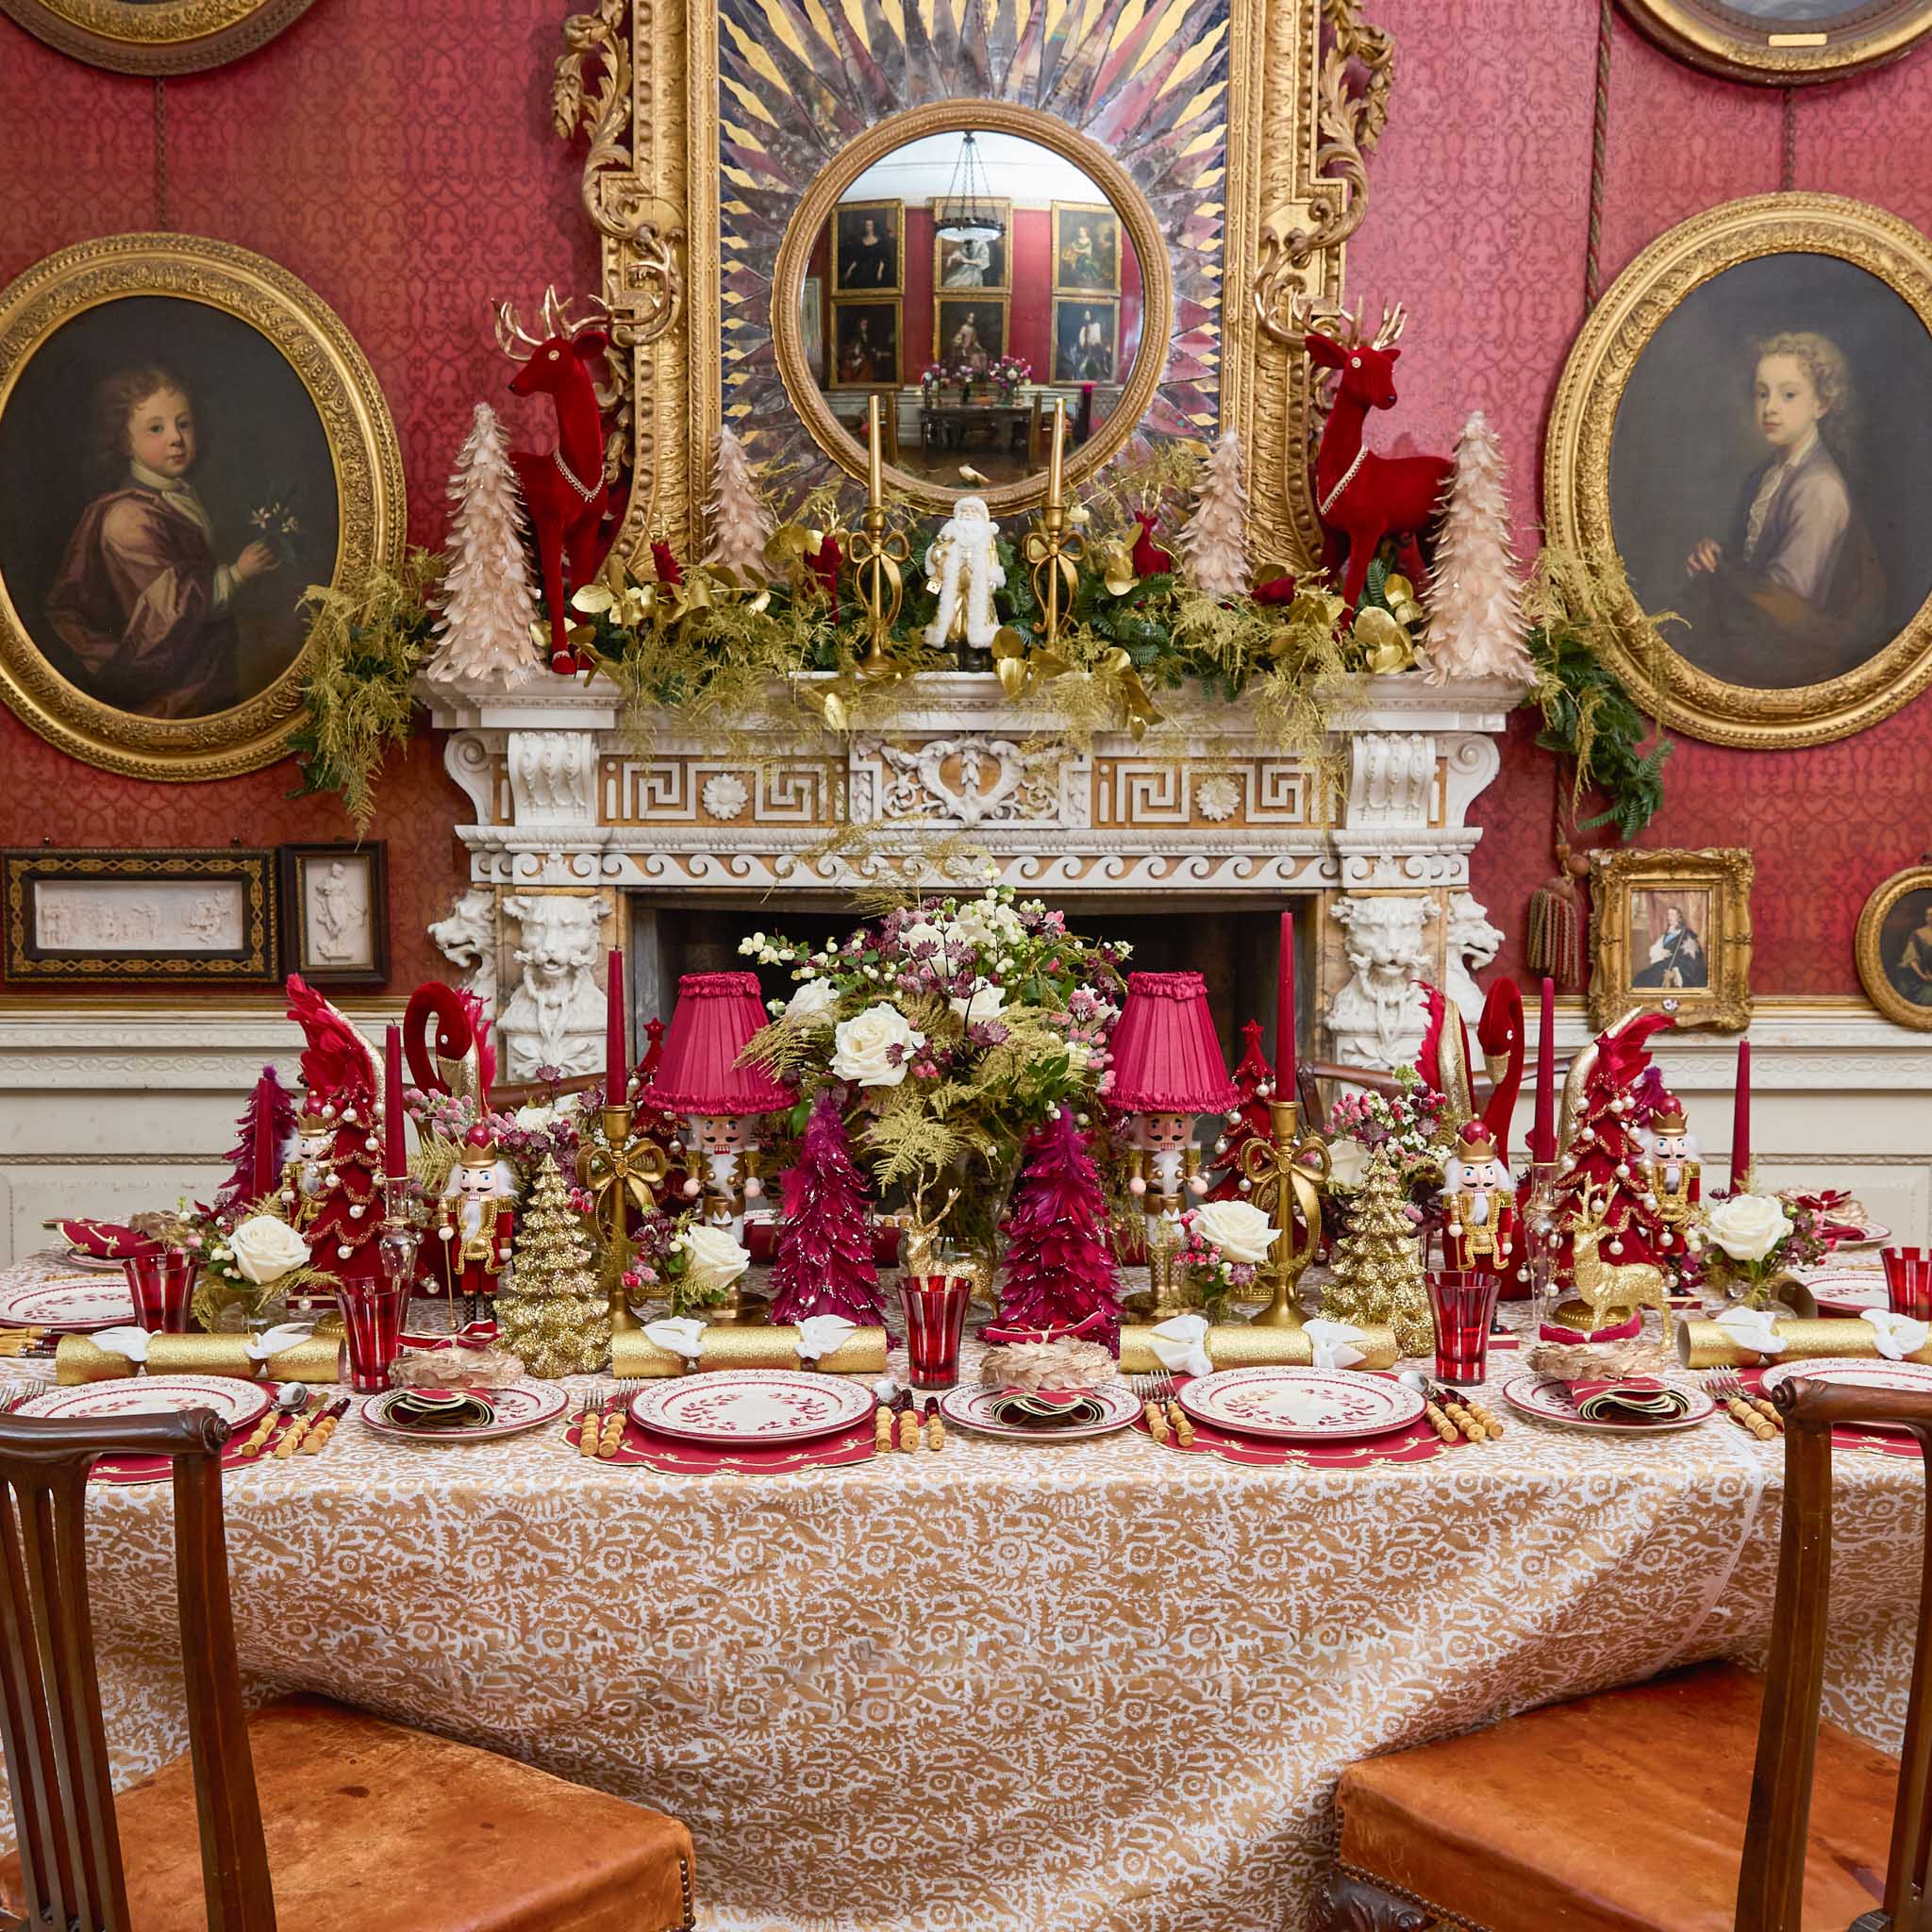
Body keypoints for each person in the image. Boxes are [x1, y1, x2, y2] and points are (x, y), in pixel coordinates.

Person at [45, 365, 279, 718]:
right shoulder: (128, 518)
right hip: (169, 689)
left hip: (204, 671)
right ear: (125, 441)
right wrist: (237, 574)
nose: (176, 438)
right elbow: (169, 611)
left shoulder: (178, 494)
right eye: (156, 428)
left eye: (183, 424)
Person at [1679, 330, 1884, 689]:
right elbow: (1752, 571)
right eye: (1762, 393)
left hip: (1794, 656)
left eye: (1789, 395)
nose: (1770, 406)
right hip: (1760, 639)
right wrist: (1717, 558)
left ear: (1822, 403)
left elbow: (1785, 606)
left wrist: (1720, 572)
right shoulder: (1766, 475)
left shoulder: (1819, 487)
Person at [1632, 903, 1707, 989]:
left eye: (1672, 914)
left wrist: (1675, 973)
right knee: (1641, 977)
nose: (1669, 917)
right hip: (1664, 964)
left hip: (1681, 969)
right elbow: (1656, 948)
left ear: (1679, 917)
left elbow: (1692, 960)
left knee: (1654, 979)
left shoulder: (1687, 934)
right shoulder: (1668, 933)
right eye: (1668, 914)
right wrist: (1660, 952)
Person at [1893, 903, 1932, 1008]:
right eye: (1927, 915)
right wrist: (1923, 976)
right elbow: (1912, 959)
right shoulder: (1917, 934)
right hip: (1922, 977)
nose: (1930, 918)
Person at [840, 214, 893, 290]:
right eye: (866, 225)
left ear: (873, 227)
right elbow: (857, 259)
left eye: (870, 225)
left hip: (874, 271)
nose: (868, 227)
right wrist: (849, 270)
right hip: (862, 271)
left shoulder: (879, 242)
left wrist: (879, 272)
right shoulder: (860, 242)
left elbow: (883, 259)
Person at [1060, 220, 1110, 290]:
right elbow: (1073, 249)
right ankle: (1083, 278)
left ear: (1086, 232)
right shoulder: (1076, 241)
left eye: (1083, 231)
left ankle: (1092, 279)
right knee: (1085, 262)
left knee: (1092, 263)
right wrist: (1076, 251)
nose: (1081, 233)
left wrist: (1079, 250)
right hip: (1078, 257)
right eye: (1080, 232)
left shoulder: (1088, 240)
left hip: (1087, 256)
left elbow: (1088, 252)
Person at [948, 309, 988, 373]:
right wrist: (959, 344)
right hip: (962, 349)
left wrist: (981, 348)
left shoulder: (973, 329)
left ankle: (982, 374)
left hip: (969, 349)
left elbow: (975, 341)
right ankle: (975, 374)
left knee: (983, 355)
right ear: (967, 318)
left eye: (973, 318)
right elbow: (957, 339)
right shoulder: (963, 328)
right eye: (970, 317)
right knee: (975, 357)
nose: (971, 319)